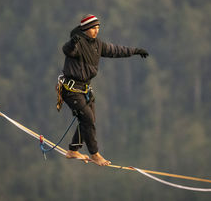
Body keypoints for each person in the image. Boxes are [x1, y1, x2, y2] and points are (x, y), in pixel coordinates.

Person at [60, 14, 149, 166]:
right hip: (71, 90)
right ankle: (95, 154)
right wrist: (72, 43)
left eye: (98, 28)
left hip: (85, 90)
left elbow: (116, 50)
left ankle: (73, 151)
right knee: (87, 118)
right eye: (93, 28)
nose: (96, 31)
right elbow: (67, 50)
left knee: (88, 120)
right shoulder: (77, 43)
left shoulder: (98, 45)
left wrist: (135, 51)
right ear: (86, 29)